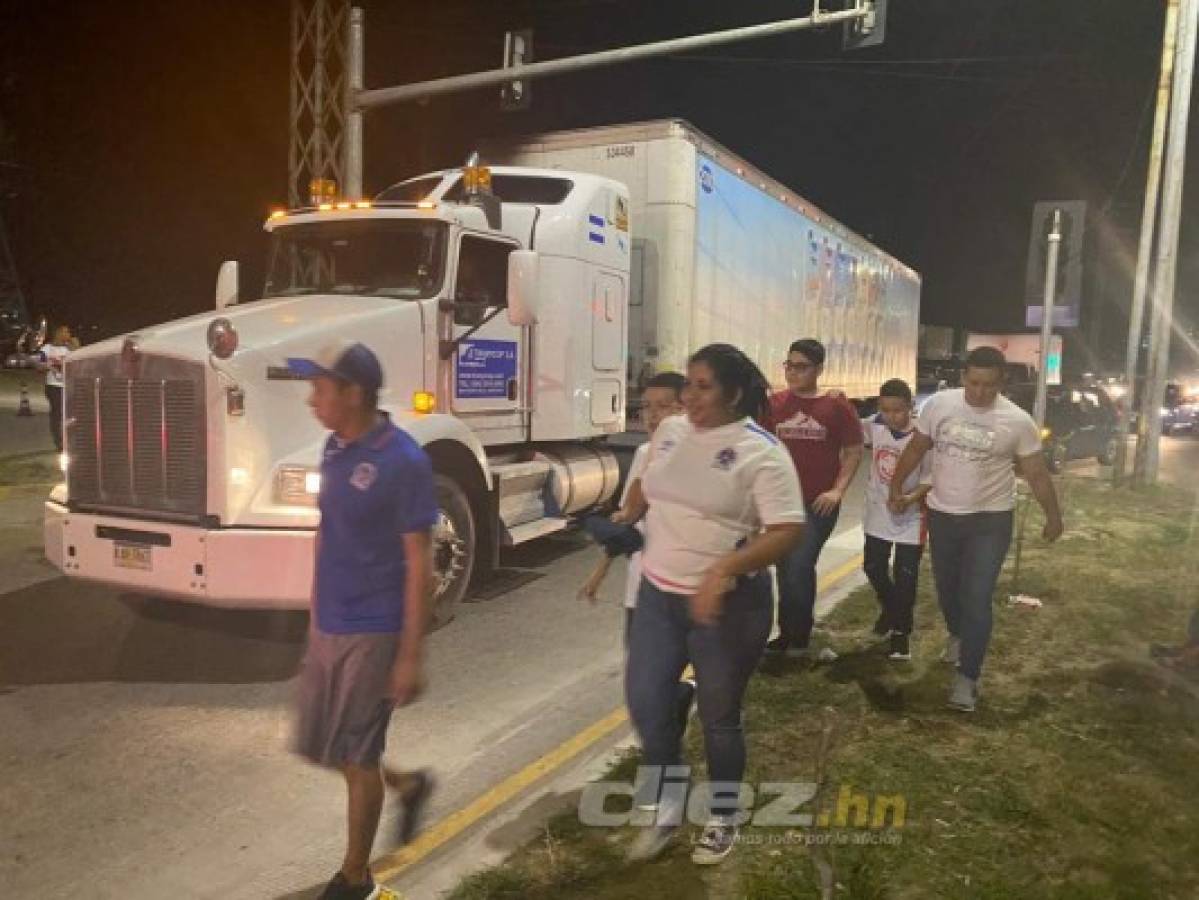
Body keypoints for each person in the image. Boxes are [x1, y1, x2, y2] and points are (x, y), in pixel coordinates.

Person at [620, 343, 805, 865]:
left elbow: (788, 530)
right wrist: (626, 514)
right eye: (689, 386)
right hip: (658, 595)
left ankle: (723, 815)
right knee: (647, 703)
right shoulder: (672, 430)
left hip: (728, 606)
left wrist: (724, 569)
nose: (689, 396)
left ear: (734, 392)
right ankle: (670, 804)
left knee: (720, 718)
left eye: (703, 387)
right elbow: (650, 482)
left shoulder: (760, 451)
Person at [287, 340, 439, 900]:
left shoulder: (403, 461)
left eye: (320, 388)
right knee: (318, 745)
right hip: (331, 621)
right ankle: (408, 784)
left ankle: (356, 879)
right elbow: (329, 530)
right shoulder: (333, 448)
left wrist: (410, 654)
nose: (312, 400)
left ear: (353, 393)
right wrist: (313, 607)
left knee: (356, 754)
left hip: (375, 628)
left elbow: (419, 561)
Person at [889, 346, 1064, 713]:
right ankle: (956, 634)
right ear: (963, 377)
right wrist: (896, 484)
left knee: (977, 596)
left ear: (1002, 382)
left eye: (989, 385)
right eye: (973, 382)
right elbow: (917, 448)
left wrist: (1053, 516)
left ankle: (967, 678)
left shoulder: (1017, 421)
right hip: (942, 515)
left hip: (990, 519)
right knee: (947, 588)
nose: (980, 392)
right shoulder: (940, 406)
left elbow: (1035, 472)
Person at [766, 338, 864, 660]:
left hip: (816, 505)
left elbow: (853, 451)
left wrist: (837, 490)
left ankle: (799, 640)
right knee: (784, 567)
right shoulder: (775, 404)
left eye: (802, 367)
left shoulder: (836, 406)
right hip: (780, 503)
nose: (793, 372)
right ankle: (786, 634)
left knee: (798, 565)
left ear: (819, 369)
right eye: (789, 365)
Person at [861, 378, 931, 661]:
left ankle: (901, 633)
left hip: (912, 516)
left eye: (898, 410)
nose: (891, 416)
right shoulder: (874, 425)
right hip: (878, 511)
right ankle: (891, 608)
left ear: (911, 407)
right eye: (886, 410)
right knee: (873, 566)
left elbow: (931, 478)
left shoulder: (923, 436)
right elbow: (845, 429)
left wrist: (910, 499)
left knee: (906, 576)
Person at [37, 325, 72, 452]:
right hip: (53, 386)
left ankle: (69, 440)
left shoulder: (69, 349)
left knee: (69, 413)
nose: (68, 334)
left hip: (68, 386)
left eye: (68, 332)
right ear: (58, 333)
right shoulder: (47, 349)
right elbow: (39, 365)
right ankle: (59, 442)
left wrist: (75, 346)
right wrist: (48, 366)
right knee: (57, 414)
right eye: (65, 331)